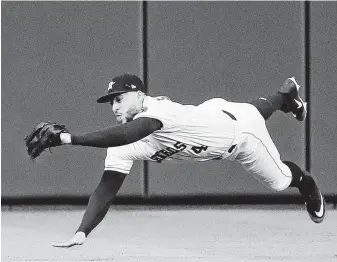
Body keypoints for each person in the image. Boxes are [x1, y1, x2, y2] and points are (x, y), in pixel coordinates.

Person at [51, 73, 326, 248]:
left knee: (278, 180)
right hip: (215, 112)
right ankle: (285, 97)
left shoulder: (158, 111)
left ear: (139, 94)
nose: (114, 107)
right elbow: (106, 189)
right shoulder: (123, 145)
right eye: (111, 103)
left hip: (241, 138)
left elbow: (130, 132)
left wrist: (69, 139)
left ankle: (306, 181)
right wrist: (82, 231)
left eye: (119, 99)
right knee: (251, 109)